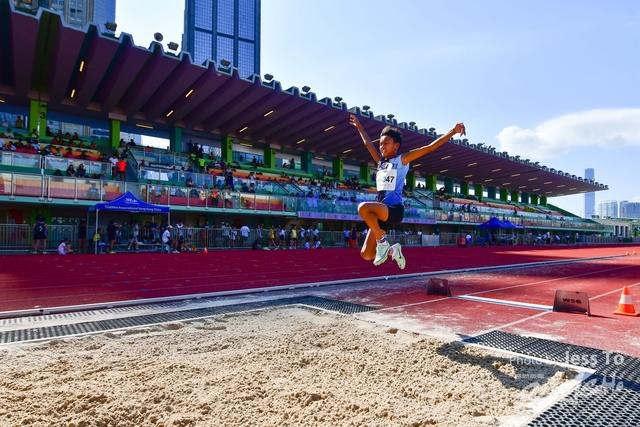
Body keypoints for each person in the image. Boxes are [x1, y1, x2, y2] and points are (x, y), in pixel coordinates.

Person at [350, 114, 465, 269]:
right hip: (381, 213)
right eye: (381, 144)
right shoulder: (381, 162)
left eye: (386, 143)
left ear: (396, 145)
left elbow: (429, 148)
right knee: (366, 254)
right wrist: (359, 126)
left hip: (394, 210)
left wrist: (453, 131)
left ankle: (382, 243)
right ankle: (393, 250)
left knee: (363, 207)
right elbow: (368, 143)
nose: (382, 146)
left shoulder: (402, 160)